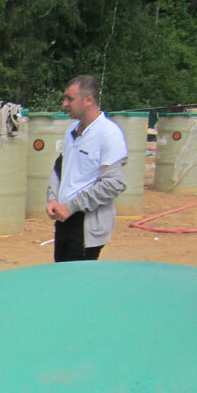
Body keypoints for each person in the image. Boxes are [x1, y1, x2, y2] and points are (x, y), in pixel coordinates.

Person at [46, 75, 127, 262]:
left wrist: (72, 206)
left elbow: (114, 183)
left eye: (70, 98)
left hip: (86, 226)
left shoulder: (109, 133)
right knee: (62, 278)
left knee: (77, 284)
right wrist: (53, 198)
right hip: (64, 220)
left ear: (88, 99)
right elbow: (60, 169)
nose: (64, 103)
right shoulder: (72, 131)